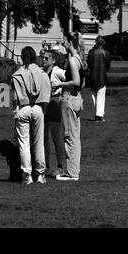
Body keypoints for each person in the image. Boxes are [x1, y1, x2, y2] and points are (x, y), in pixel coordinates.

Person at [11, 46, 46, 185]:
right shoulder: (41, 72)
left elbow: (14, 98)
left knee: (24, 143)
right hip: (38, 107)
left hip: (23, 108)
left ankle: (27, 175)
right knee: (39, 142)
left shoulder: (17, 74)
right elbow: (45, 93)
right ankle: (41, 174)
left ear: (21, 57)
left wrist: (15, 110)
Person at [58, 40, 83, 182]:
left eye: (65, 41)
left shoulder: (73, 60)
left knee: (69, 136)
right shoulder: (80, 58)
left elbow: (77, 81)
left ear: (71, 43)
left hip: (69, 97)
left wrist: (60, 83)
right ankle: (75, 168)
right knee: (75, 137)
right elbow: (82, 83)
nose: (63, 42)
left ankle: (72, 173)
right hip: (77, 98)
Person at [44, 47, 66, 174]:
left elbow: (75, 81)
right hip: (43, 105)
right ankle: (46, 165)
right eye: (43, 58)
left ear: (53, 60)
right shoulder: (41, 72)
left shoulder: (57, 72)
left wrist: (60, 86)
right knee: (43, 137)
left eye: (47, 58)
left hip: (54, 104)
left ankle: (60, 166)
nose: (44, 60)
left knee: (56, 137)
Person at [86, 34, 111, 120]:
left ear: (96, 42)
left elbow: (88, 64)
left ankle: (98, 114)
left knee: (94, 96)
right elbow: (108, 66)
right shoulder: (106, 52)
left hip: (93, 76)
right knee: (101, 96)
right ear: (103, 42)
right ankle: (99, 115)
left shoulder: (91, 52)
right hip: (102, 76)